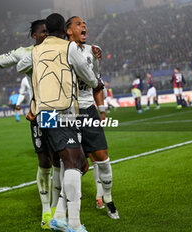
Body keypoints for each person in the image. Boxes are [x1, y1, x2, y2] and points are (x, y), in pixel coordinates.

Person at [0, 20, 62, 230]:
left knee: (59, 159)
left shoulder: (59, 48)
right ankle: (46, 210)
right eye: (42, 32)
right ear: (34, 35)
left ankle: (58, 208)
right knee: (45, 161)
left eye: (48, 31)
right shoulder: (24, 53)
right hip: (40, 113)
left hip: (59, 110)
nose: (46, 35)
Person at [17, 13, 104, 232]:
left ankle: (58, 214)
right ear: (63, 30)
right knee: (74, 162)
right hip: (62, 110)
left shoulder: (36, 51)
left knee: (73, 162)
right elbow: (87, 75)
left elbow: (20, 67)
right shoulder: (69, 48)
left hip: (44, 113)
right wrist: (94, 80)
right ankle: (72, 224)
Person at [61, 15, 119, 220]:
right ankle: (60, 206)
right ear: (68, 31)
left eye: (84, 24)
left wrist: (101, 110)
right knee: (71, 164)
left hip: (87, 110)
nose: (83, 26)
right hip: (66, 113)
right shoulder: (62, 50)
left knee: (102, 159)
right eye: (78, 24)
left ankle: (108, 199)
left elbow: (97, 83)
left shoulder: (92, 50)